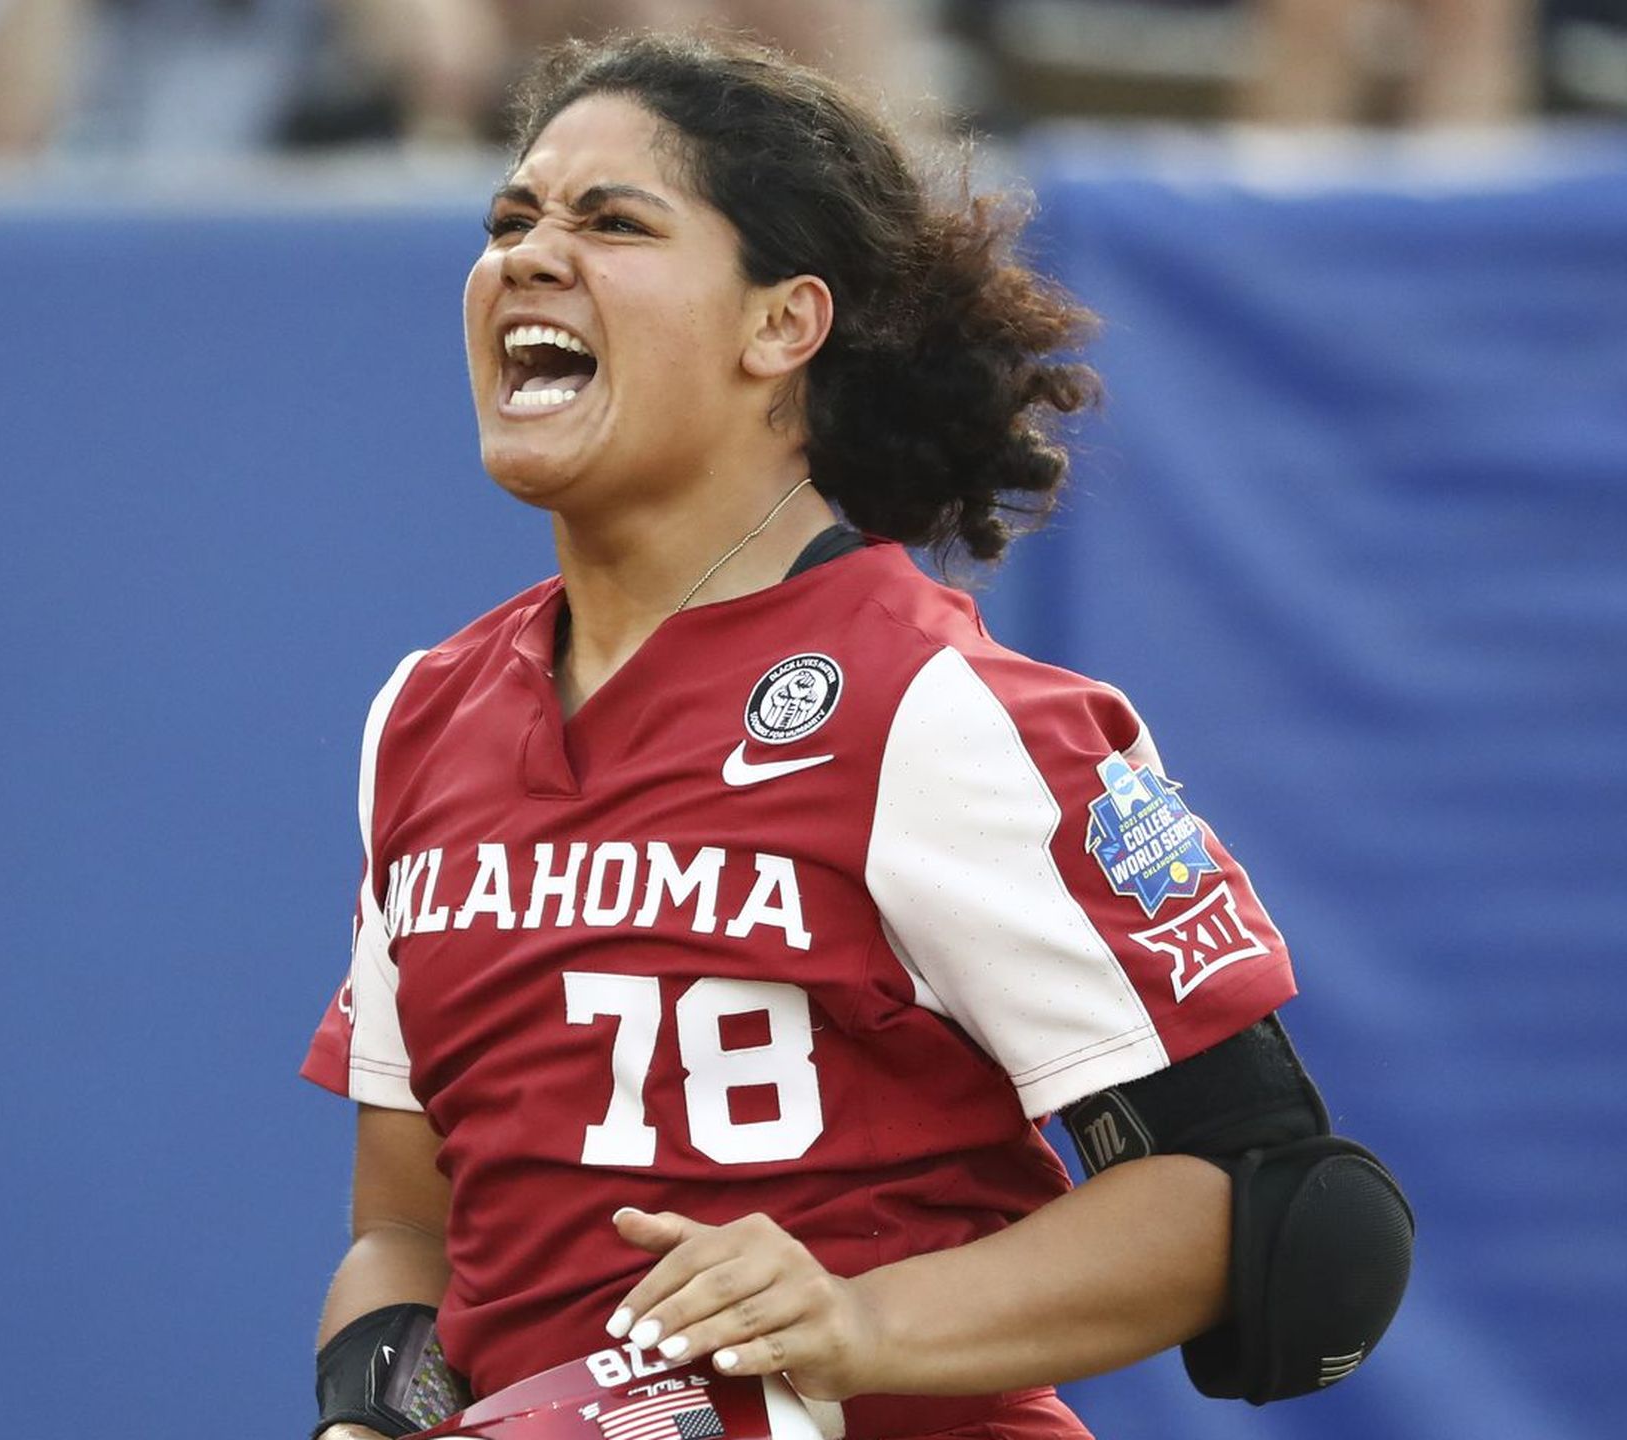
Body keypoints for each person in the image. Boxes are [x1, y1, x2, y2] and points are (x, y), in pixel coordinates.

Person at [299, 30, 1412, 1440]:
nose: (527, 253)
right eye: (510, 219)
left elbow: (1275, 1207)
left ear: (782, 325)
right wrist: (370, 1418)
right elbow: (409, 1227)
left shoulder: (925, 707)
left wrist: (859, 1322)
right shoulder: (424, 716)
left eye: (611, 221)